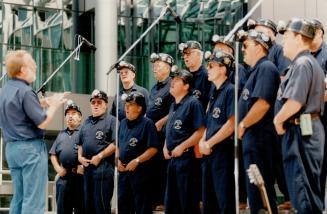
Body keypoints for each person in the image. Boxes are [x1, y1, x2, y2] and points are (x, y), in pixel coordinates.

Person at [0, 50, 69, 214]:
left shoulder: (4, 91)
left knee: (19, 197)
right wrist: (54, 105)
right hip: (30, 150)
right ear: (23, 69)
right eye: (32, 62)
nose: (36, 65)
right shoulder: (26, 91)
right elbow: (43, 122)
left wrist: (42, 102)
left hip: (12, 150)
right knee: (34, 201)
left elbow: (18, 108)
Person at [274, 18, 325, 213]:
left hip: (302, 132)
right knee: (306, 193)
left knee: (304, 192)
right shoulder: (305, 62)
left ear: (298, 37)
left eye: (286, 37)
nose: (283, 42)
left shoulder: (303, 63)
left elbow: (295, 102)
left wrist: (277, 120)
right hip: (304, 130)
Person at [249, 17, 292, 209]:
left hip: (277, 111)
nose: (258, 32)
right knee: (271, 161)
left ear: (272, 32)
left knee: (280, 158)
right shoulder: (257, 58)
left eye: (261, 29)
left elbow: (284, 78)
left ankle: (289, 197)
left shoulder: (279, 51)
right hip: (265, 117)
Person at [238, 29, 280, 213]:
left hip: (260, 139)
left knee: (261, 191)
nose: (242, 50)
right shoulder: (253, 72)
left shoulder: (266, 68)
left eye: (246, 46)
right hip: (252, 140)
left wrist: (243, 124)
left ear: (260, 47)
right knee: (254, 193)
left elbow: (262, 104)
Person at [163, 69, 205, 214]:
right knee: (171, 204)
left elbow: (200, 131)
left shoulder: (193, 103)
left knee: (187, 203)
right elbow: (169, 130)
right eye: (172, 80)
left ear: (186, 85)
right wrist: (164, 147)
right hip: (172, 160)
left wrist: (182, 146)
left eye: (176, 80)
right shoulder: (172, 106)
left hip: (187, 159)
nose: (172, 82)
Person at [199, 50, 235, 214]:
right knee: (209, 202)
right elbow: (209, 122)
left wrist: (209, 143)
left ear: (223, 69)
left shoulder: (230, 90)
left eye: (212, 66)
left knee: (224, 201)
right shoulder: (214, 92)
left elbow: (231, 123)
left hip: (222, 152)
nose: (208, 69)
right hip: (209, 153)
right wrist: (202, 141)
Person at [117, 91, 159, 214]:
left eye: (130, 105)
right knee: (123, 206)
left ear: (140, 108)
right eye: (126, 104)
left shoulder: (148, 124)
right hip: (124, 174)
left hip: (141, 174)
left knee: (142, 208)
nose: (126, 107)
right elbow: (118, 145)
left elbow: (153, 148)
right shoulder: (123, 123)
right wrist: (117, 160)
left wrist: (137, 160)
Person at [77, 89, 116, 214]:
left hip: (103, 168)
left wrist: (100, 155)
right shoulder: (86, 122)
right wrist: (80, 157)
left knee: (101, 206)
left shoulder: (112, 120)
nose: (96, 105)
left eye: (99, 102)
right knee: (88, 205)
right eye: (93, 102)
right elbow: (80, 144)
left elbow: (116, 144)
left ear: (106, 104)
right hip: (87, 169)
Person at [146, 52, 175, 210]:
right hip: (152, 135)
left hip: (165, 134)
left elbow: (174, 109)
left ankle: (163, 201)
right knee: (153, 168)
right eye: (153, 65)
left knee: (163, 168)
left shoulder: (172, 85)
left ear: (168, 67)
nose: (154, 68)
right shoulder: (154, 87)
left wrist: (160, 123)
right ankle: (154, 200)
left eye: (158, 65)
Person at [49, 100, 85, 214]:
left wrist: (83, 167)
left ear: (80, 117)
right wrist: (58, 169)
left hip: (80, 178)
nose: (70, 116)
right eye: (68, 113)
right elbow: (53, 155)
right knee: (63, 210)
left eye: (74, 113)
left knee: (82, 209)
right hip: (64, 178)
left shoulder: (85, 132)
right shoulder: (61, 134)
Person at [310, 18, 327, 204]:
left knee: (321, 162)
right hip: (308, 118)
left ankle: (319, 203)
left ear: (320, 32)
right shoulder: (305, 55)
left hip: (323, 117)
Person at [179, 40, 212, 109]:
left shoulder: (207, 75)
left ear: (199, 55)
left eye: (188, 53)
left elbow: (211, 103)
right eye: (183, 54)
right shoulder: (182, 76)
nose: (185, 57)